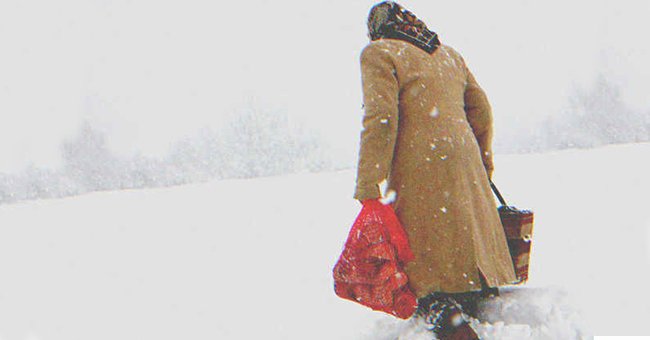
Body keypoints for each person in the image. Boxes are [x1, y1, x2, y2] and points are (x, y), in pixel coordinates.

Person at [354, 2, 518, 338]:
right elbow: (481, 109)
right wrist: (482, 161)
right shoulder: (448, 55)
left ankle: (447, 318)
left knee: (426, 268)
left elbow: (381, 118)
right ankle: (473, 296)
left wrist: (369, 182)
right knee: (462, 243)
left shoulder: (379, 53)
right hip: (465, 156)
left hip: (420, 164)